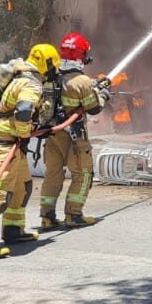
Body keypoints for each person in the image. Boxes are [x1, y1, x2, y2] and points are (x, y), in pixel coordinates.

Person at [0, 43, 60, 259]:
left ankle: (13, 230)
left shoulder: (20, 78)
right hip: (7, 146)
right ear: (47, 64)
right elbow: (23, 111)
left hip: (12, 146)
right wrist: (27, 132)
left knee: (22, 188)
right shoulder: (32, 85)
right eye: (52, 67)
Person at [39, 32, 110, 230]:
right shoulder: (82, 81)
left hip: (53, 135)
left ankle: (46, 216)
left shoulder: (52, 76)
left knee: (53, 174)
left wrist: (94, 86)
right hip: (74, 137)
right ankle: (73, 214)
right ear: (81, 55)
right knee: (83, 173)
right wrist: (103, 93)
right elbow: (93, 107)